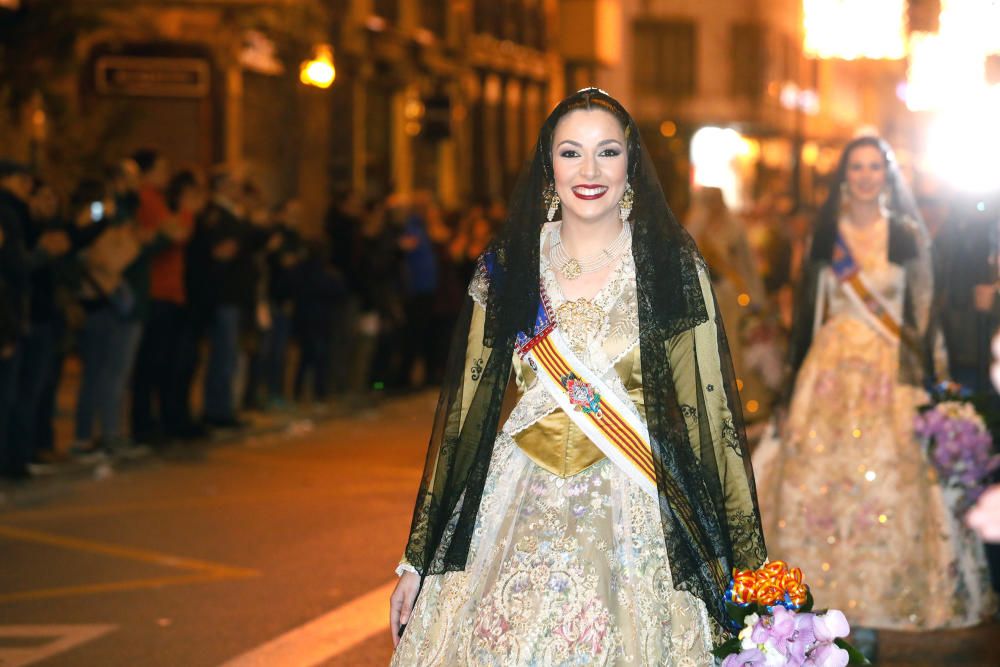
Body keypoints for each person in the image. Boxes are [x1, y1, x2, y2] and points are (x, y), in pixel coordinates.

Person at [388, 89, 765, 664]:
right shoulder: (507, 266)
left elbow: (709, 417)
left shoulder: (671, 267)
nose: (589, 171)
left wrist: (744, 566)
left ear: (630, 165)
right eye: (570, 153)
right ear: (549, 166)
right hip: (514, 505)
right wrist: (419, 560)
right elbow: (465, 418)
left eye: (607, 152)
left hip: (637, 512)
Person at [753, 136, 994, 659]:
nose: (864, 176)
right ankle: (820, 599)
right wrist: (795, 386)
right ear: (844, 175)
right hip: (831, 369)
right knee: (816, 478)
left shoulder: (905, 235)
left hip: (889, 370)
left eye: (873, 167)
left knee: (892, 477)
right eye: (856, 167)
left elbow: (922, 312)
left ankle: (884, 599)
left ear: (886, 174)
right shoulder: (826, 235)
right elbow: (810, 315)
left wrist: (932, 383)